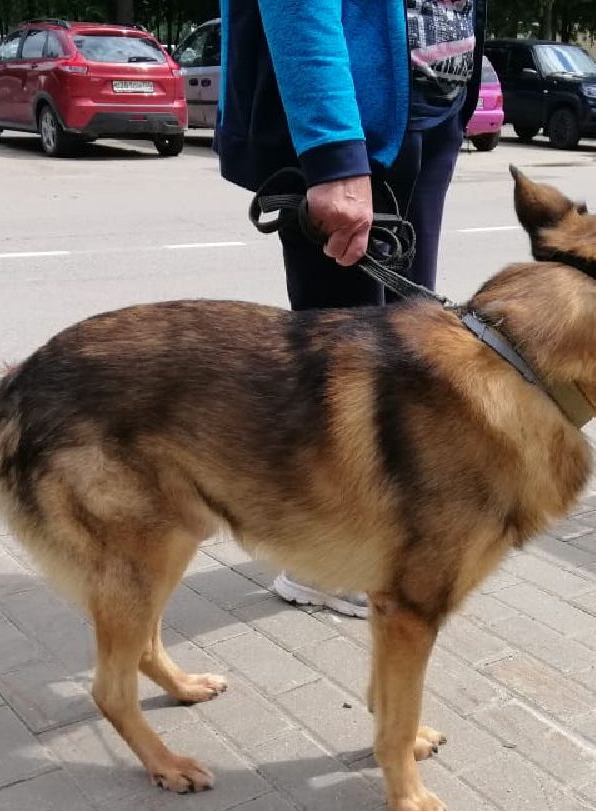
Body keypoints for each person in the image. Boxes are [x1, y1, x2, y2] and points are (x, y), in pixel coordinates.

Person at [217, 0, 487, 618]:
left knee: (405, 354)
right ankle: (318, 562)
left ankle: (369, 539)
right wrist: (334, 151)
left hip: (425, 109)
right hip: (352, 123)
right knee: (344, 376)